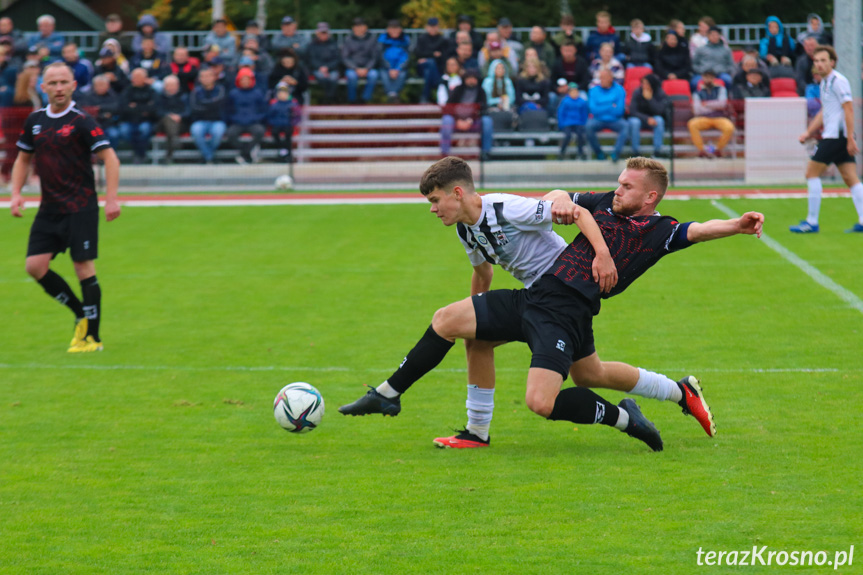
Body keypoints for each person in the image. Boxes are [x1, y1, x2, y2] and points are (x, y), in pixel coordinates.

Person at [339, 157, 761, 449]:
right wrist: (480, 316)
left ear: (650, 196)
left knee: (570, 386)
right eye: (617, 182)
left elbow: (699, 228)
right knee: (460, 326)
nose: (617, 190)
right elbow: (564, 200)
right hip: (538, 298)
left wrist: (736, 225)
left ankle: (634, 414)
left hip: (565, 305)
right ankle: (434, 413)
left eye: (627, 186)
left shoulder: (658, 229)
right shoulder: (601, 203)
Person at [9, 62, 121, 353]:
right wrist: (16, 193)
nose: (58, 88)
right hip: (49, 209)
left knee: (82, 267)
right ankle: (79, 313)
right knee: (34, 266)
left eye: (63, 82)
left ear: (73, 85)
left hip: (80, 207)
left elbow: (111, 159)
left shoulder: (82, 120)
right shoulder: (35, 120)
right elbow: (23, 159)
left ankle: (92, 338)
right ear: (42, 87)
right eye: (53, 83)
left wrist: (111, 198)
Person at [790, 46, 863, 234]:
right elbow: (825, 112)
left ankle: (811, 222)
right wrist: (808, 132)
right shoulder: (824, 83)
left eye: (823, 60)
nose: (819, 64)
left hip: (836, 137)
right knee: (851, 178)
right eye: (816, 61)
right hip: (835, 136)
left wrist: (849, 138)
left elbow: (849, 109)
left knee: (811, 173)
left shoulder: (839, 81)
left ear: (832, 62)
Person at [439, 68, 492, 159]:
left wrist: (470, 120)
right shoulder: (458, 89)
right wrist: (457, 120)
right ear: (465, 79)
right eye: (469, 78)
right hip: (456, 121)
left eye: (474, 78)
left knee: (487, 121)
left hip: (473, 122)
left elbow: (484, 110)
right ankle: (445, 152)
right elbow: (448, 107)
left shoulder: (481, 91)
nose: (471, 80)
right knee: (447, 120)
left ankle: (485, 152)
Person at [687, 70, 735, 159]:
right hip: (704, 118)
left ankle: (718, 150)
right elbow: (697, 110)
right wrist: (714, 105)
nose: (708, 79)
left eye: (710, 77)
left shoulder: (721, 89)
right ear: (702, 78)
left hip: (719, 117)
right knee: (692, 124)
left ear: (714, 79)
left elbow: (722, 104)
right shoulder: (697, 93)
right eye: (706, 77)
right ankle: (702, 150)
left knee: (729, 127)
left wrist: (705, 104)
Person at [226, 67, 267, 165]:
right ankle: (246, 151)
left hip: (253, 122)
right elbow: (228, 110)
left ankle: (244, 153)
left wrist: (256, 118)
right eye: (242, 79)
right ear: (238, 81)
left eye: (247, 79)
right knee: (230, 133)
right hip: (237, 122)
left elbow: (263, 110)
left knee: (260, 131)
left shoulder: (258, 93)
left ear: (251, 80)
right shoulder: (233, 94)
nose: (245, 82)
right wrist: (234, 118)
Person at [586, 68, 628, 161]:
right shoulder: (593, 91)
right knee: (588, 127)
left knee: (625, 126)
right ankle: (599, 153)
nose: (602, 80)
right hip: (598, 119)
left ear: (611, 78)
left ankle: (615, 154)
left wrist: (602, 106)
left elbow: (619, 110)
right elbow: (593, 110)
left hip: (615, 120)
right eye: (600, 78)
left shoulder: (619, 90)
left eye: (604, 78)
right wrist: (610, 105)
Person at [189, 66, 227, 164]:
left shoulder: (220, 89)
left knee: (218, 132)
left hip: (217, 120)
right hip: (200, 120)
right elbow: (194, 108)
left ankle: (206, 156)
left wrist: (204, 104)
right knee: (196, 131)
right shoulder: (195, 91)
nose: (206, 78)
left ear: (214, 77)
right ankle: (210, 157)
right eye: (203, 76)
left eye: (208, 76)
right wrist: (211, 105)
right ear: (200, 78)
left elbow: (219, 104)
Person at [119, 68, 157, 164]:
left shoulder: (151, 90)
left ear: (145, 78)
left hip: (145, 120)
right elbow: (123, 107)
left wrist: (135, 106)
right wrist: (144, 107)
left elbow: (153, 108)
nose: (136, 79)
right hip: (129, 120)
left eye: (139, 77)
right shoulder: (127, 90)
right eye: (135, 77)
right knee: (124, 130)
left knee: (145, 129)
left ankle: (140, 154)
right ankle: (139, 153)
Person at [628, 74, 668, 157]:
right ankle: (635, 152)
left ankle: (657, 152)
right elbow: (633, 111)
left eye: (646, 83)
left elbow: (660, 111)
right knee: (634, 122)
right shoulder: (637, 92)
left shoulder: (659, 93)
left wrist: (650, 99)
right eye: (642, 83)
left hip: (653, 120)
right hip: (640, 119)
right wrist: (646, 119)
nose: (644, 86)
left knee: (659, 120)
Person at [342, 17, 380, 104]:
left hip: (368, 68)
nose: (358, 28)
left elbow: (375, 56)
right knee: (351, 76)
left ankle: (365, 99)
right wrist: (355, 68)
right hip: (353, 68)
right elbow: (345, 57)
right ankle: (352, 100)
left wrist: (367, 68)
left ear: (365, 27)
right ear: (353, 28)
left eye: (360, 26)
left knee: (374, 75)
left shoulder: (372, 39)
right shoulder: (348, 39)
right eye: (356, 26)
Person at [78, 74, 121, 148]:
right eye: (98, 85)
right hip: (93, 125)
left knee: (114, 134)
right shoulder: (88, 96)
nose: (100, 87)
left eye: (102, 85)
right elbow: (88, 110)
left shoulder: (113, 95)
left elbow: (116, 108)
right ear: (94, 86)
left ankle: (111, 154)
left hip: (109, 124)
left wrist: (99, 108)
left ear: (108, 85)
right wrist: (103, 114)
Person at [414, 17, 450, 104]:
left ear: (438, 27)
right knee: (430, 62)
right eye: (431, 26)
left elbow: (444, 56)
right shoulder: (422, 38)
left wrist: (426, 55)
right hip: (423, 67)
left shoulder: (442, 39)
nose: (433, 28)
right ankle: (436, 84)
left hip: (437, 68)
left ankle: (425, 97)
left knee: (428, 72)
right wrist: (433, 54)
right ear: (427, 27)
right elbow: (417, 53)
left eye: (435, 26)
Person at [155, 75, 188, 165]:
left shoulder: (184, 96)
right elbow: (157, 112)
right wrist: (170, 116)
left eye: (173, 85)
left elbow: (188, 111)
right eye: (169, 85)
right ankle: (175, 142)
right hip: (163, 124)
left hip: (181, 124)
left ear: (178, 85)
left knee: (171, 126)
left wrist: (179, 116)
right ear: (164, 86)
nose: (171, 87)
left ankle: (169, 153)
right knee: (168, 120)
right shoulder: (160, 97)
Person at [377, 19, 410, 103]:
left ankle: (391, 95)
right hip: (386, 67)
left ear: (400, 29)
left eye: (396, 28)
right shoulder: (382, 39)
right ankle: (393, 95)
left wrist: (398, 68)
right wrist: (389, 68)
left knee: (402, 74)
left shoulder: (405, 40)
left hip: (400, 67)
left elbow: (406, 56)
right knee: (384, 74)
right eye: (392, 28)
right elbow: (380, 56)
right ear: (388, 30)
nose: (394, 31)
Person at [306, 22, 340, 104]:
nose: (323, 35)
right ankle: (328, 99)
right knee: (322, 77)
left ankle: (329, 99)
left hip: (331, 68)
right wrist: (320, 68)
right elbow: (311, 59)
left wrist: (328, 67)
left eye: (325, 33)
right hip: (317, 69)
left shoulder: (333, 43)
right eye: (322, 33)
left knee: (333, 77)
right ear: (317, 33)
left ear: (329, 33)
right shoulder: (312, 45)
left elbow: (337, 59)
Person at [267, 82, 297, 163]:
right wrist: (273, 122)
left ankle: (288, 154)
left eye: (285, 93)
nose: (283, 95)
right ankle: (282, 151)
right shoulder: (274, 105)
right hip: (277, 124)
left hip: (288, 125)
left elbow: (296, 115)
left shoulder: (292, 104)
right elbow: (270, 116)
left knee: (288, 136)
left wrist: (293, 122)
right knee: (275, 133)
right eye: (281, 93)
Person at [557, 82, 587, 160]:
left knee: (580, 135)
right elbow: (561, 113)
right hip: (567, 123)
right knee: (567, 136)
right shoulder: (565, 101)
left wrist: (583, 123)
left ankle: (581, 152)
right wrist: (561, 124)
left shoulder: (582, 102)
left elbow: (584, 113)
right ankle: (562, 152)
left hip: (578, 123)